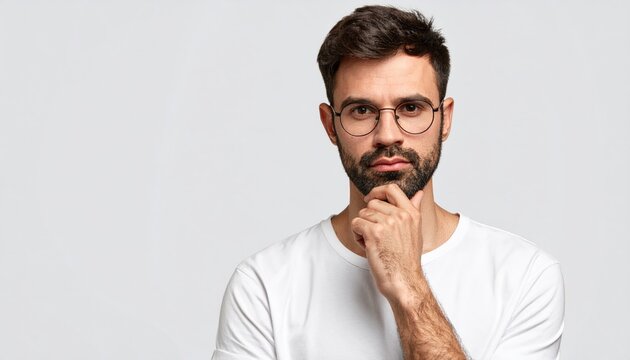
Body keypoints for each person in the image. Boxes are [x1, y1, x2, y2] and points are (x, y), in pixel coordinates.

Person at [211, 5, 564, 360]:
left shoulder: (524, 276)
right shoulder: (264, 285)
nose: (387, 135)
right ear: (330, 125)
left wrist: (408, 286)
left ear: (445, 119)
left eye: (411, 108)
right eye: (361, 111)